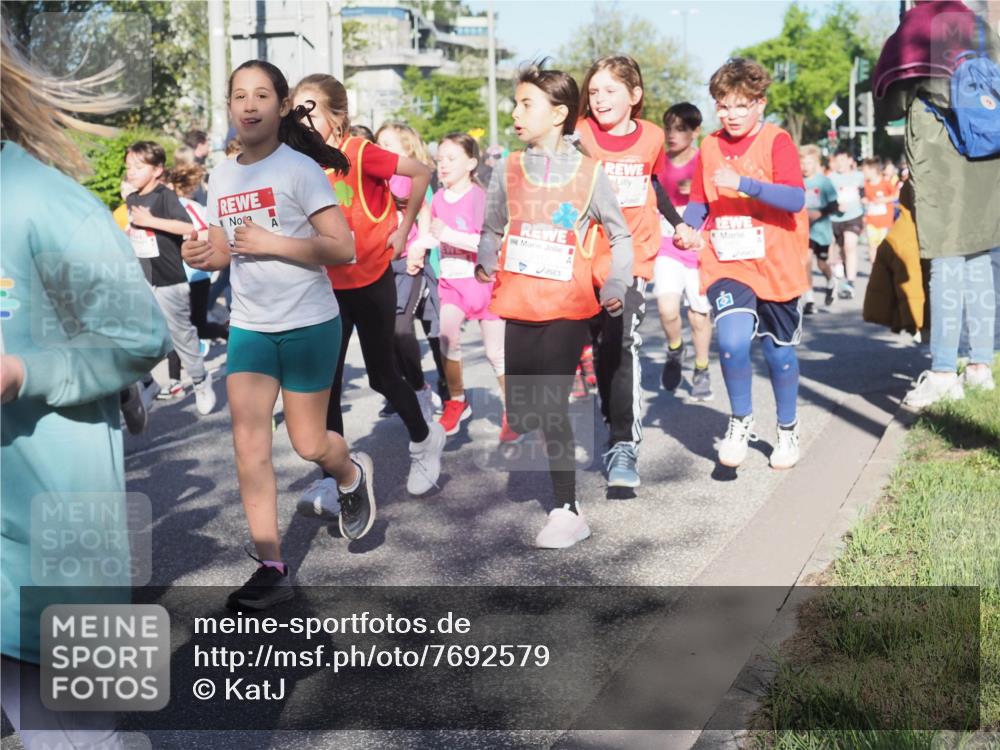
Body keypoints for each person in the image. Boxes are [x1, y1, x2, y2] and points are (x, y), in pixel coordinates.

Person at [1, 22, 171, 747]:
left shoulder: (46, 201)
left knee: (80, 734)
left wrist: (23, 371)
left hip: (53, 537)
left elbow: (141, 336)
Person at [182, 59, 376, 610]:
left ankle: (350, 471)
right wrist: (202, 252)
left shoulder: (299, 170)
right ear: (228, 107)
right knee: (248, 447)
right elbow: (225, 247)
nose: (248, 105)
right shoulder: (222, 174)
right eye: (238, 95)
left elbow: (343, 247)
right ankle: (271, 565)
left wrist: (274, 243)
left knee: (310, 443)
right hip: (250, 327)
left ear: (282, 106)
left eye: (261, 95)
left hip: (310, 323)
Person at [477, 62, 631, 549]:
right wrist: (485, 256)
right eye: (516, 103)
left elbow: (620, 234)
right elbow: (493, 225)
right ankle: (556, 459)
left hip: (568, 305)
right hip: (519, 302)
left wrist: (618, 283)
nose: (516, 113)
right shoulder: (508, 168)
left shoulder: (589, 174)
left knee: (548, 398)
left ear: (559, 113)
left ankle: (568, 508)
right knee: (524, 411)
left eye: (527, 104)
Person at [291, 74, 446, 497]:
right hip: (327, 288)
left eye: (310, 112)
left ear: (336, 117)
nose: (300, 122)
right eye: (295, 113)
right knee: (329, 383)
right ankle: (335, 481)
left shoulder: (358, 153)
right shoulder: (301, 163)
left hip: (371, 280)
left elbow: (421, 172)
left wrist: (405, 228)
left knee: (382, 376)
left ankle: (424, 438)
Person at [674, 57, 809, 470]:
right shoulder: (711, 146)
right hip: (727, 259)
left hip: (776, 260)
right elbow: (700, 201)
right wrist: (687, 226)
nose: (731, 114)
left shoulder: (776, 141)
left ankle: (787, 429)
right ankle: (740, 420)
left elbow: (796, 199)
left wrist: (745, 184)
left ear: (759, 104)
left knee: (779, 354)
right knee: (732, 343)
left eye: (740, 105)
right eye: (723, 105)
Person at [576, 55, 681, 490]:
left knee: (622, 340)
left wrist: (680, 224)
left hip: (632, 257)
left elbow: (654, 183)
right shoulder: (579, 134)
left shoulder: (653, 137)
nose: (600, 99)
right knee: (599, 347)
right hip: (584, 256)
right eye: (594, 91)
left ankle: (623, 443)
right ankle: (610, 412)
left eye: (610, 91)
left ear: (634, 96)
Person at [413, 132, 509, 441]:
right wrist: (417, 247)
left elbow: (488, 243)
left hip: (483, 282)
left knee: (496, 353)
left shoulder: (480, 198)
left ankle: (512, 411)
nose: (442, 166)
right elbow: (433, 235)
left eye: (451, 159)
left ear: (471, 163)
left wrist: (449, 235)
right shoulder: (439, 198)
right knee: (446, 337)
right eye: (439, 160)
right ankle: (457, 400)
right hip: (452, 284)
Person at [124, 140, 217, 415]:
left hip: (170, 278)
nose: (131, 172)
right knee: (135, 334)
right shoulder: (131, 198)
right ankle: (148, 382)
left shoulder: (165, 196)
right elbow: (139, 235)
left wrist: (150, 222)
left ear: (157, 169)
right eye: (128, 166)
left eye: (138, 167)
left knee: (181, 336)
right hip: (143, 277)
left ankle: (200, 380)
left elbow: (186, 227)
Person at [374, 121, 446, 421]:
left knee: (425, 329)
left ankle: (443, 385)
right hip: (383, 264)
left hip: (416, 262)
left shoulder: (411, 176)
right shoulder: (376, 177)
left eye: (389, 144)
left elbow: (426, 212)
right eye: (379, 144)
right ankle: (412, 386)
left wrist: (421, 248)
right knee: (392, 333)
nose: (382, 149)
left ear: (407, 147)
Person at [654, 102, 714, 400]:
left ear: (695, 131)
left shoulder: (706, 162)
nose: (672, 135)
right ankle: (675, 348)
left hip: (701, 248)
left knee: (699, 316)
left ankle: (701, 368)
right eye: (669, 128)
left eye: (680, 129)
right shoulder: (658, 163)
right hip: (667, 245)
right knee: (666, 308)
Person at [799, 144, 839, 313]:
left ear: (816, 163)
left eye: (808, 163)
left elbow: (834, 205)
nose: (804, 167)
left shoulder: (824, 182)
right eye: (802, 163)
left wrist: (819, 213)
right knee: (806, 261)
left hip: (821, 229)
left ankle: (831, 280)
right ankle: (809, 300)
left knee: (822, 264)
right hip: (803, 229)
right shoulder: (796, 180)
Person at [828, 147, 865, 300]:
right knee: (842, 251)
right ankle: (840, 269)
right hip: (835, 219)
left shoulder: (859, 176)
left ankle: (850, 283)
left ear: (850, 161)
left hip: (854, 217)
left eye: (843, 160)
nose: (840, 164)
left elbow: (865, 192)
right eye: (837, 161)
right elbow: (826, 199)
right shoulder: (831, 178)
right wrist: (836, 206)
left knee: (850, 246)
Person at [861, 157, 898, 254]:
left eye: (865, 170)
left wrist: (885, 199)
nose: (863, 173)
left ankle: (883, 268)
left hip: (884, 221)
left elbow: (896, 195)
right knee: (872, 246)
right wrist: (865, 201)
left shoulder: (885, 183)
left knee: (882, 247)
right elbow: (865, 198)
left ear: (873, 170)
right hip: (871, 220)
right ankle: (874, 268)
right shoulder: (865, 184)